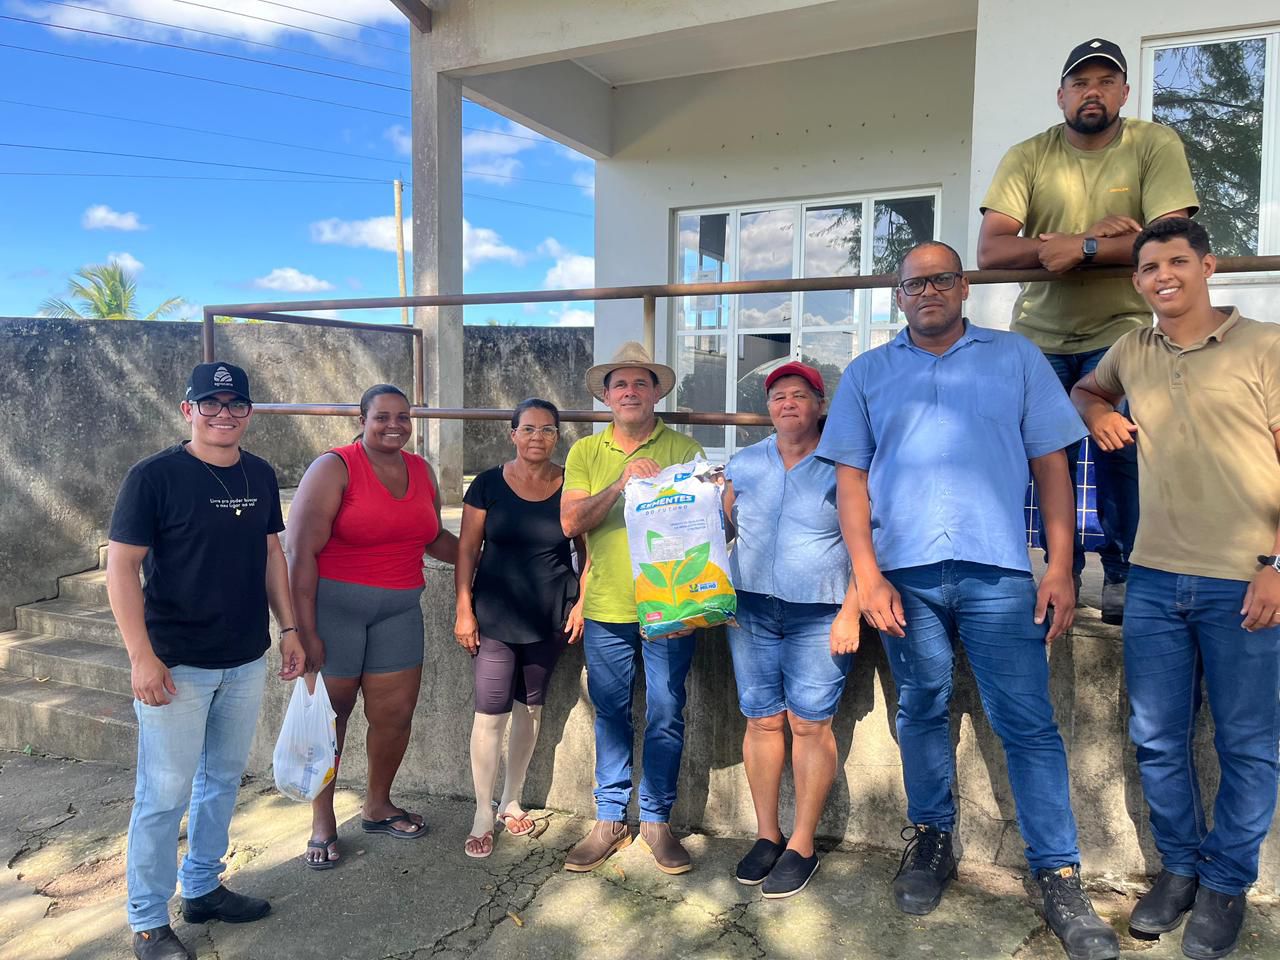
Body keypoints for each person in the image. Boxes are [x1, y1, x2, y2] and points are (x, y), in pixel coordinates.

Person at [818, 241, 1120, 960]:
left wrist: (1061, 568)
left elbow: (1053, 465)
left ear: (964, 288)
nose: (929, 291)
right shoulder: (868, 374)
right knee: (920, 706)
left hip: (998, 574)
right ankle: (930, 839)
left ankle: (1058, 872)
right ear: (898, 296)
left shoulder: (1016, 360)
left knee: (1028, 723)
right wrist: (866, 576)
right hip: (904, 578)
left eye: (942, 278)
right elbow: (851, 484)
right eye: (915, 282)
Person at [1070, 218, 1280, 960]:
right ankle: (1182, 870)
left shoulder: (1266, 345)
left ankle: (1227, 883)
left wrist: (1277, 566)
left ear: (1208, 266)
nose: (1163, 275)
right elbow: (1085, 386)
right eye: (1150, 265)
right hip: (1156, 579)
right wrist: (1098, 412)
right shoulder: (1135, 348)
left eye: (1178, 261)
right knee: (1157, 739)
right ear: (1136, 280)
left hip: (1245, 579)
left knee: (1247, 743)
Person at [977, 37, 1199, 624]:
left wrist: (1083, 245)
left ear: (1124, 91)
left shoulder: (1153, 144)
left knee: (1121, 448)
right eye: (1080, 83)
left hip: (1121, 329)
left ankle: (1124, 569)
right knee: (1040, 453)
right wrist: (1093, 242)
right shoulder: (1029, 155)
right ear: (1061, 96)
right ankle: (1059, 568)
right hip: (1039, 336)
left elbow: (1171, 240)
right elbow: (993, 250)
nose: (1092, 92)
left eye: (1105, 81)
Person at [107, 361, 305, 960]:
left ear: (249, 412)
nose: (224, 414)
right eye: (210, 403)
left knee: (221, 780)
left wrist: (289, 627)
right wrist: (142, 657)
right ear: (188, 410)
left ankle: (202, 888)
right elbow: (120, 568)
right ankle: (147, 921)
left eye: (235, 404)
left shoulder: (260, 472)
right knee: (162, 795)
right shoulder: (155, 477)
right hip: (176, 664)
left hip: (243, 658)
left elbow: (273, 551)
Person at [286, 383, 458, 869]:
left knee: (394, 716)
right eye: (382, 416)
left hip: (400, 611)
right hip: (334, 613)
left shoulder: (421, 471)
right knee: (331, 720)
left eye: (403, 417)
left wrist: (485, 557)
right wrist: (304, 628)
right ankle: (322, 819)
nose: (394, 425)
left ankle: (378, 805)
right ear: (362, 419)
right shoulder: (334, 467)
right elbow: (299, 552)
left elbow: (434, 537)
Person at [560, 341, 704, 875]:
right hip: (607, 605)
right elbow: (571, 524)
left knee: (666, 712)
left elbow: (702, 526)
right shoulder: (585, 454)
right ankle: (608, 818)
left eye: (639, 383)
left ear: (656, 392)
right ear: (606, 395)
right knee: (610, 713)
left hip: (671, 602)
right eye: (619, 384)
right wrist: (623, 484)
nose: (629, 391)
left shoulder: (686, 449)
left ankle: (657, 821)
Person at [722, 361, 860, 899]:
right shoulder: (745, 463)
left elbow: (866, 544)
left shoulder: (842, 464)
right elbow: (718, 528)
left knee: (809, 725)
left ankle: (802, 844)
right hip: (751, 609)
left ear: (820, 405)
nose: (787, 404)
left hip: (819, 612)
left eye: (799, 395)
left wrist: (853, 610)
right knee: (761, 721)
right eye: (778, 397)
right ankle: (767, 835)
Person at [453, 398, 587, 859]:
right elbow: (467, 550)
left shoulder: (573, 484)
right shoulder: (488, 484)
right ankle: (481, 812)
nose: (537, 437)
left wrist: (582, 604)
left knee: (530, 710)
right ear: (512, 434)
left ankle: (512, 799)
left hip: (551, 613)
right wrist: (463, 609)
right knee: (489, 716)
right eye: (528, 429)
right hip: (493, 615)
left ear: (557, 436)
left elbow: (589, 552)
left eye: (547, 430)